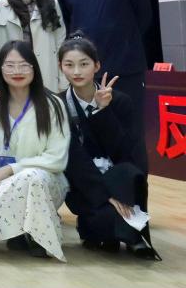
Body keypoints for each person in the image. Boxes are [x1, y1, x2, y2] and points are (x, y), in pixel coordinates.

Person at [58, 34, 157, 258]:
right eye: (69, 65)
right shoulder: (58, 105)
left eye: (84, 64)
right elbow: (73, 159)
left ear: (97, 65)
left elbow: (125, 152)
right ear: (60, 67)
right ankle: (105, 229)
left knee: (130, 172)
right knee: (103, 228)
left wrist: (103, 111)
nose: (76, 72)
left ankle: (135, 235)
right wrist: (105, 194)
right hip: (84, 181)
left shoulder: (120, 101)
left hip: (119, 178)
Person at [0, 40, 69, 260]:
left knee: (32, 176)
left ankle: (38, 237)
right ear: (0, 69)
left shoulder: (53, 104)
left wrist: (13, 169)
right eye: (10, 65)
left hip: (46, 183)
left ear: (34, 68)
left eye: (24, 65)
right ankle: (21, 229)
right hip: (0, 185)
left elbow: (57, 159)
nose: (17, 71)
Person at [54, 0, 152, 131]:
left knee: (131, 131)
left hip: (126, 70)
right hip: (85, 74)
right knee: (93, 132)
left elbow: (144, 16)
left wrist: (123, 43)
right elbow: (68, 23)